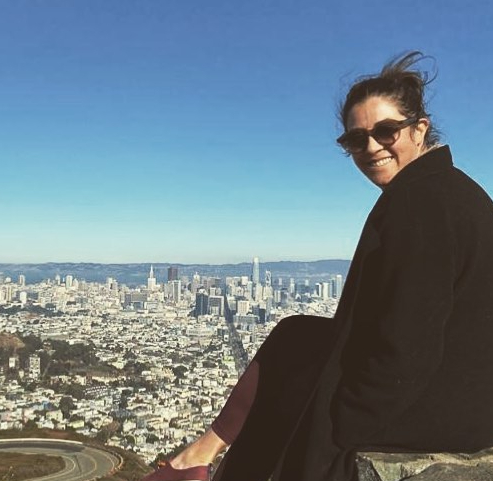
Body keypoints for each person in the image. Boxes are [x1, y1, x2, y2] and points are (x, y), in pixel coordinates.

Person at [141, 51, 493, 481]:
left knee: (298, 396)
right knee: (296, 336)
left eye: (386, 131)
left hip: (441, 411)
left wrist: (341, 424)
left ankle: (205, 469)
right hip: (469, 400)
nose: (371, 147)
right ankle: (200, 454)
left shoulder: (418, 205)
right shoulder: (448, 190)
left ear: (419, 129)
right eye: (355, 140)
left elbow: (407, 349)